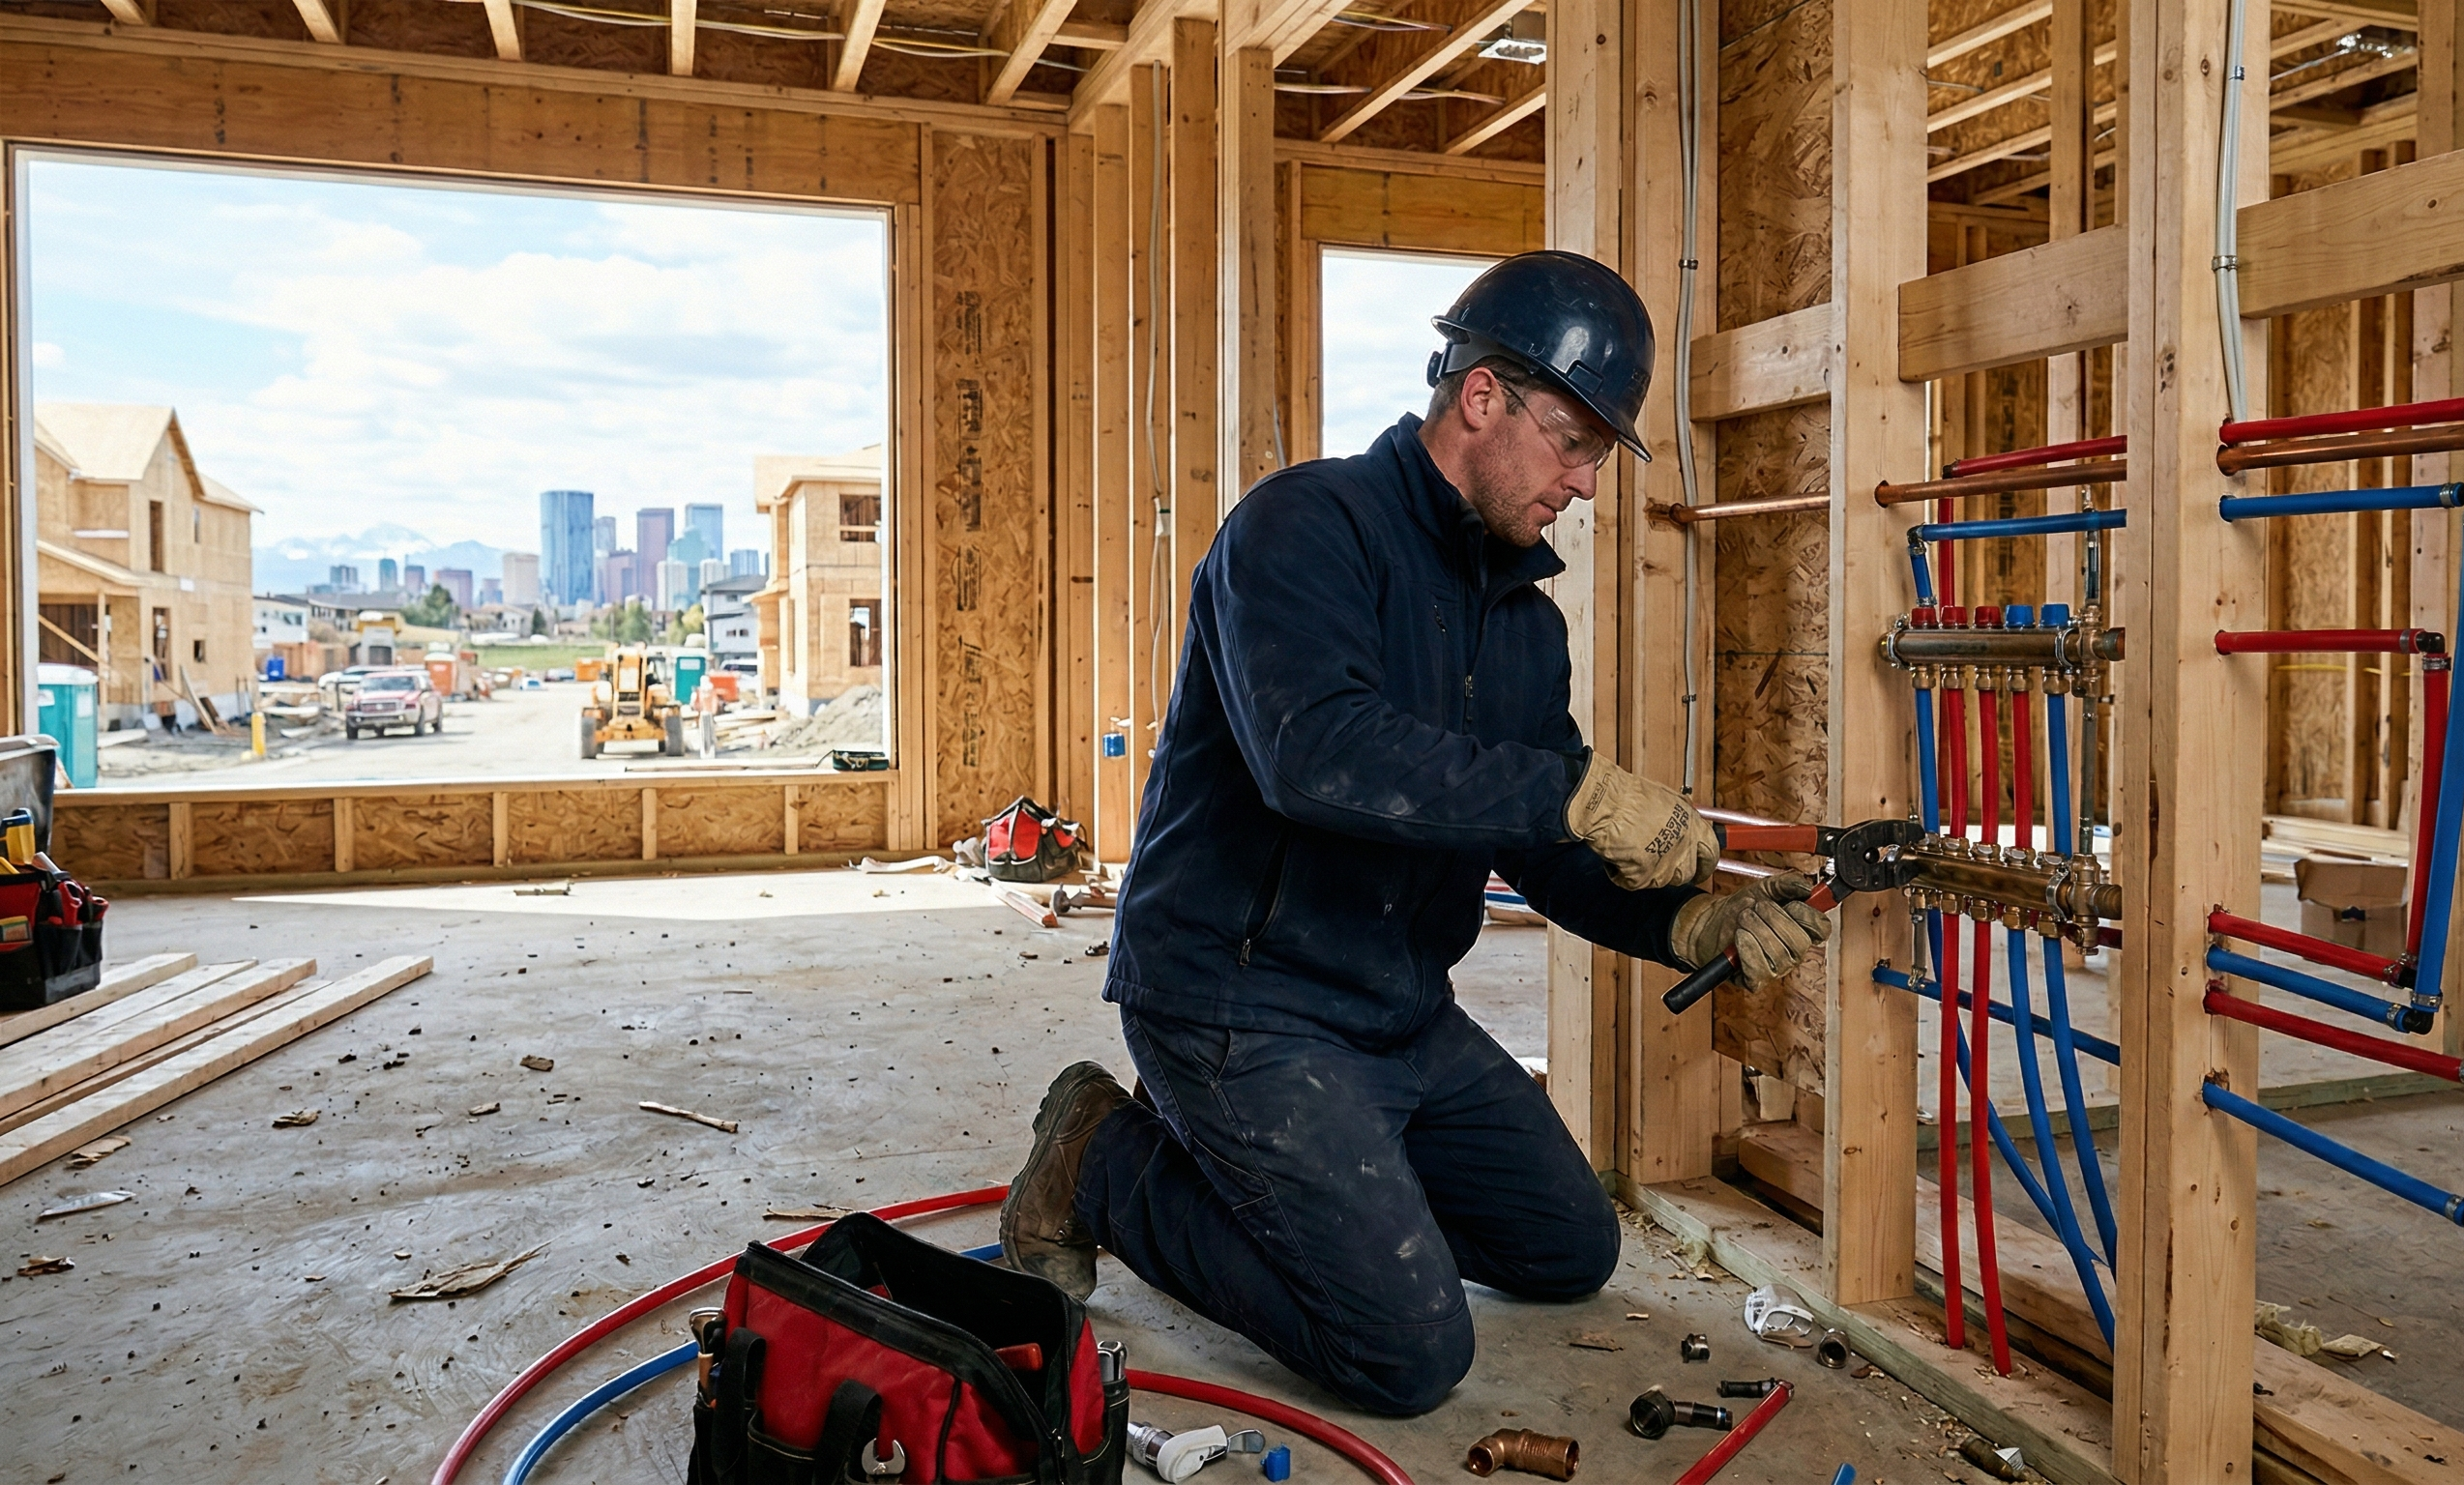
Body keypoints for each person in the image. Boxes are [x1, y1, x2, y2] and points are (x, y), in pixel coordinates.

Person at [999, 251, 1831, 1415]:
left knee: (1565, 1250)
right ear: (1482, 396)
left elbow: (1533, 845)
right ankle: (1104, 1158)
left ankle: (1330, 1184)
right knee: (1404, 1354)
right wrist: (1578, 795)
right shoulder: (1301, 529)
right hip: (1240, 1001)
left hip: (1399, 1010)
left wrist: (1686, 921)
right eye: (1576, 440)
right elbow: (1316, 758)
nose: (1586, 484)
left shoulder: (1525, 627)